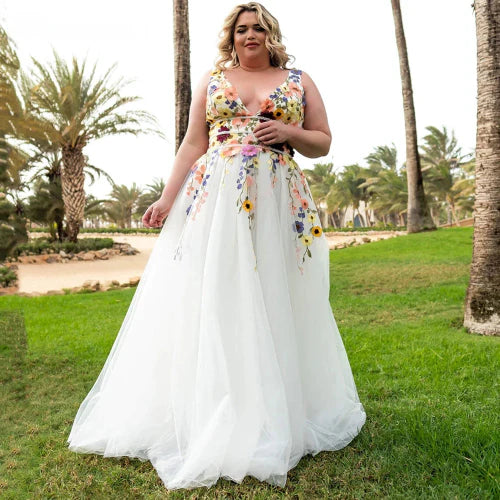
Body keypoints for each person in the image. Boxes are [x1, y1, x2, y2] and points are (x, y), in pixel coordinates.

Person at [67, 1, 367, 491]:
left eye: (258, 28)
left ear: (271, 34)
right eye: (242, 28)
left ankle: (278, 408)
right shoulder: (212, 80)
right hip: (216, 199)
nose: (250, 35)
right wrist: (166, 199)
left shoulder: (300, 79)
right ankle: (216, 405)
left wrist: (289, 132)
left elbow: (323, 142)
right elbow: (191, 142)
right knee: (219, 295)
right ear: (232, 36)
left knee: (275, 295)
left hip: (277, 200)